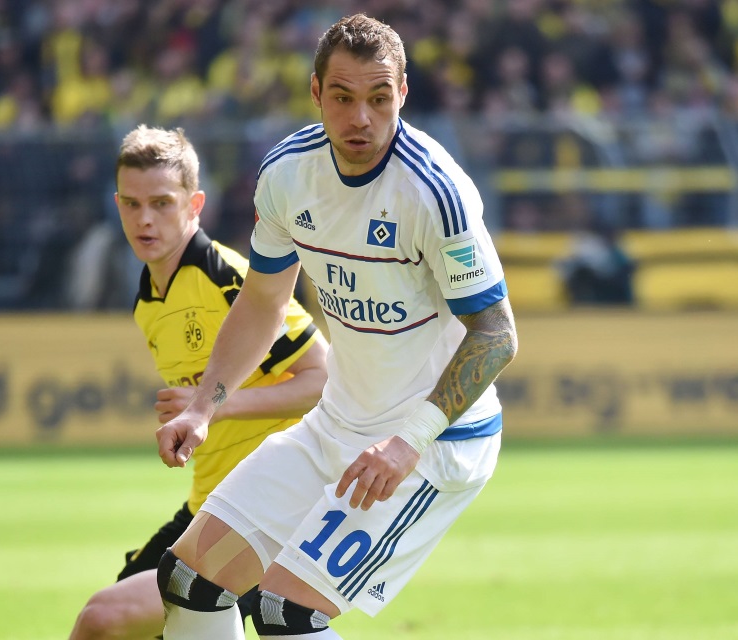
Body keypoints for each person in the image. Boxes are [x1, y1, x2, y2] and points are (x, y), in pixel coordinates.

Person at [154, 14, 518, 639]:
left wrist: (407, 443)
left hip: (431, 445)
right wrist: (206, 405)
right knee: (191, 580)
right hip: (336, 424)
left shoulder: (434, 193)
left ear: (402, 94)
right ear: (316, 91)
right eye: (344, 98)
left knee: (286, 612)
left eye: (379, 99)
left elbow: (496, 333)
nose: (361, 119)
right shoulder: (289, 174)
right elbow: (265, 301)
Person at [68, 125, 329, 640]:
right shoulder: (148, 302)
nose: (144, 219)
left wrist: (212, 406)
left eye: (162, 203)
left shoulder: (228, 279)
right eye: (131, 203)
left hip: (270, 510)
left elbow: (323, 380)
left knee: (104, 620)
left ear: (195, 204)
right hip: (207, 505)